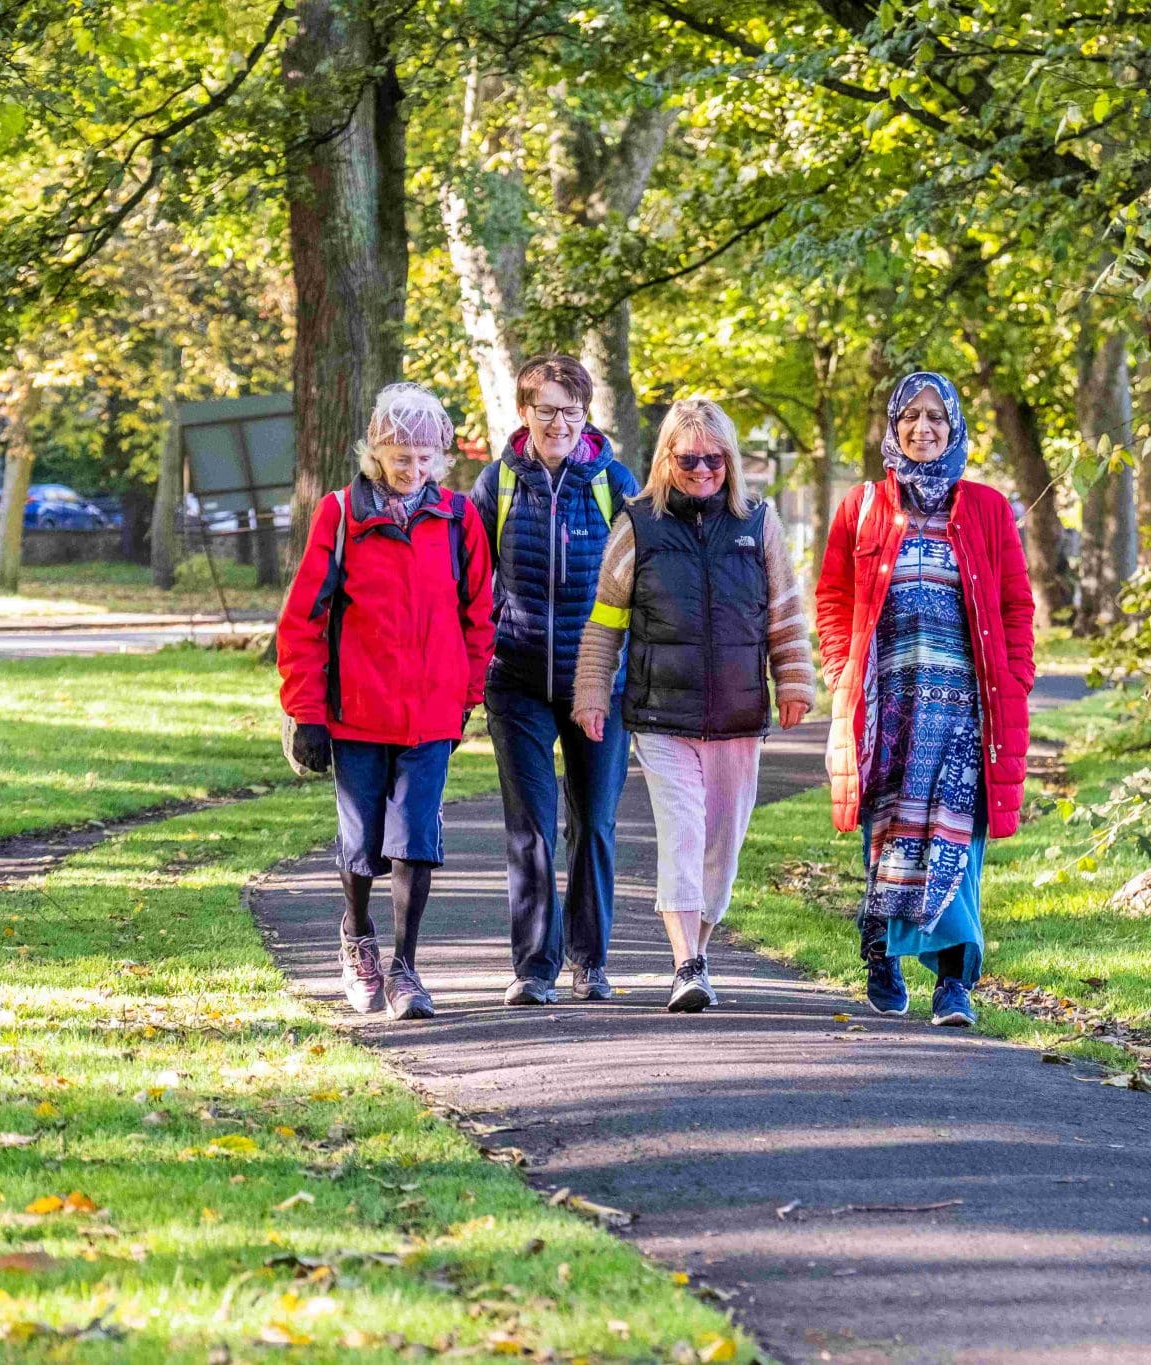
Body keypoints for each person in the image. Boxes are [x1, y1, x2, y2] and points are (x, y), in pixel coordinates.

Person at [571, 399, 814, 1012]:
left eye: (714, 458)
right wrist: (593, 690)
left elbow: (784, 614)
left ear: (730, 461)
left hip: (737, 715)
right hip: (661, 716)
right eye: (688, 459)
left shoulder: (757, 524)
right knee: (681, 834)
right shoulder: (638, 525)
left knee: (722, 845)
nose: (702, 469)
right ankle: (687, 963)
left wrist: (794, 682)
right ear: (666, 460)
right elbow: (604, 623)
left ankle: (698, 953)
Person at [814, 371, 1036, 1027]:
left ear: (956, 425)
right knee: (886, 835)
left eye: (936, 416)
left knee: (956, 841)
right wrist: (840, 667)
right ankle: (881, 948)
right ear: (892, 426)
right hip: (888, 708)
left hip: (967, 711)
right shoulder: (862, 507)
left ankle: (953, 981)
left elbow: (1016, 605)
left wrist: (1017, 676)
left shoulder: (988, 508)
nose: (923, 427)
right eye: (910, 415)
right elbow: (833, 596)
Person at [277, 382, 494, 1021]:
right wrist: (307, 711)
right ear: (376, 449)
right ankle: (355, 934)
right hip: (357, 712)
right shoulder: (341, 515)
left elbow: (480, 614)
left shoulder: (458, 518)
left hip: (431, 713)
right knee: (361, 842)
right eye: (402, 454)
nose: (414, 468)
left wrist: (466, 696)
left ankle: (406, 967)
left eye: (426, 456)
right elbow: (302, 621)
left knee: (414, 839)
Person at [471, 355, 640, 1006]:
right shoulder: (499, 484)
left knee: (594, 821)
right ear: (524, 413)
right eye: (546, 410)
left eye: (571, 411)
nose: (559, 423)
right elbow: (467, 579)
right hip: (515, 679)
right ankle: (533, 968)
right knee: (531, 825)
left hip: (599, 682)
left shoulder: (612, 481)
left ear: (586, 415)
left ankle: (590, 961)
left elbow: (644, 579)